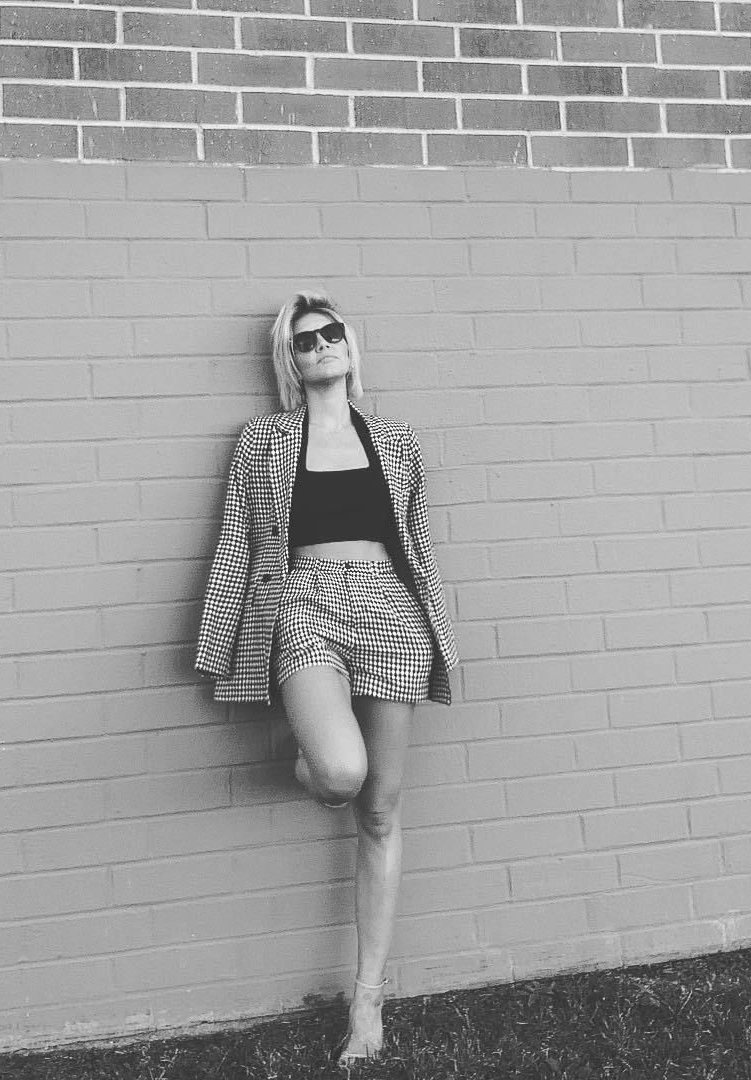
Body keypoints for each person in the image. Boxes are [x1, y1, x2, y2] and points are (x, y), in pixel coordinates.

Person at [194, 291, 459, 1065]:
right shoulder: (264, 440)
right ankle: (312, 759)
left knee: (380, 811)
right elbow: (239, 541)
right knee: (343, 772)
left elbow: (415, 541)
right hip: (304, 601)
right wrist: (220, 643)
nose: (321, 347)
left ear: (351, 345)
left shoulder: (396, 440)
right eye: (305, 341)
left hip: (390, 608)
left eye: (331, 334)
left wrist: (434, 625)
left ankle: (367, 1000)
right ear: (290, 358)